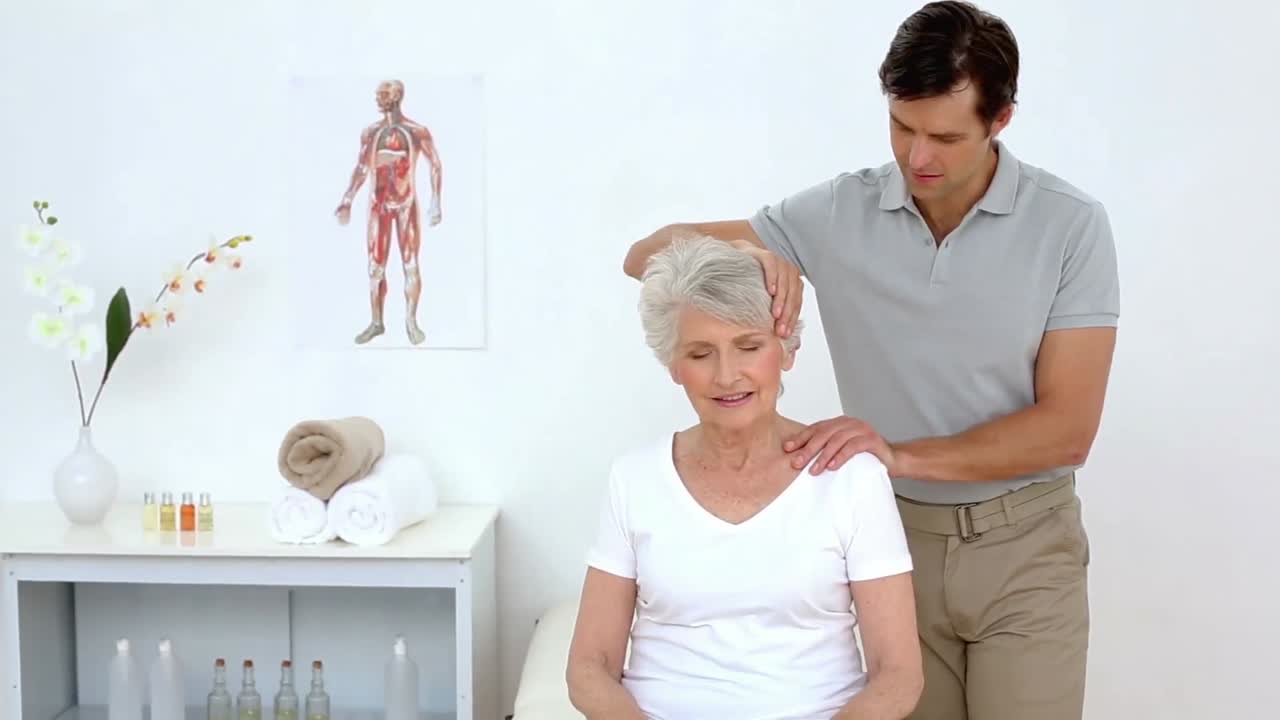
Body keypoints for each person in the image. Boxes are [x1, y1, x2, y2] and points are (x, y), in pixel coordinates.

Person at [620, 2, 1118, 718]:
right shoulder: (838, 212)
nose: (918, 158)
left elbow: (1067, 431)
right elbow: (644, 255)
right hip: (892, 546)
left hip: (1026, 548)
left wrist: (897, 455)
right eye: (902, 126)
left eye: (945, 136)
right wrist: (754, 250)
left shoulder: (1069, 225)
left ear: (1001, 119)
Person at [567, 236, 923, 719]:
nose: (727, 375)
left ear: (787, 350)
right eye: (700, 354)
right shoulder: (634, 479)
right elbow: (590, 666)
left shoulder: (852, 477)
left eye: (748, 347)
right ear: (674, 366)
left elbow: (898, 675)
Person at [335, 79, 443, 346]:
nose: (377, 98)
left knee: (411, 264)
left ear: (395, 97)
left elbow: (435, 164)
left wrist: (436, 200)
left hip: (406, 204)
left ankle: (411, 322)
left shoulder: (416, 131)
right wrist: (347, 198)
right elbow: (362, 167)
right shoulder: (371, 132)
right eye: (377, 94)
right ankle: (377, 322)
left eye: (382, 94)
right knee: (375, 267)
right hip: (378, 205)